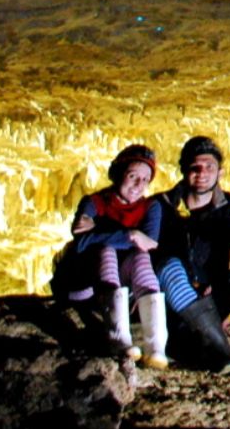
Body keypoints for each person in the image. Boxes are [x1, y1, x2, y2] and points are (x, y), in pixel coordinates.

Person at [152, 135, 230, 386]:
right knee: (169, 266)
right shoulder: (161, 206)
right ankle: (222, 359)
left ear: (220, 171)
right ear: (184, 171)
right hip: (175, 308)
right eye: (195, 167)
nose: (202, 173)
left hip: (213, 300)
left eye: (209, 167)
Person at [53, 143, 170, 368]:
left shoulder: (150, 207)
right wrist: (130, 235)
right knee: (105, 251)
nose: (139, 185)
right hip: (85, 282)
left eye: (145, 179)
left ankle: (156, 348)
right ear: (118, 174)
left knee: (140, 258)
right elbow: (81, 239)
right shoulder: (95, 202)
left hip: (124, 278)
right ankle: (119, 340)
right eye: (133, 176)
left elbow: (149, 244)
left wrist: (100, 231)